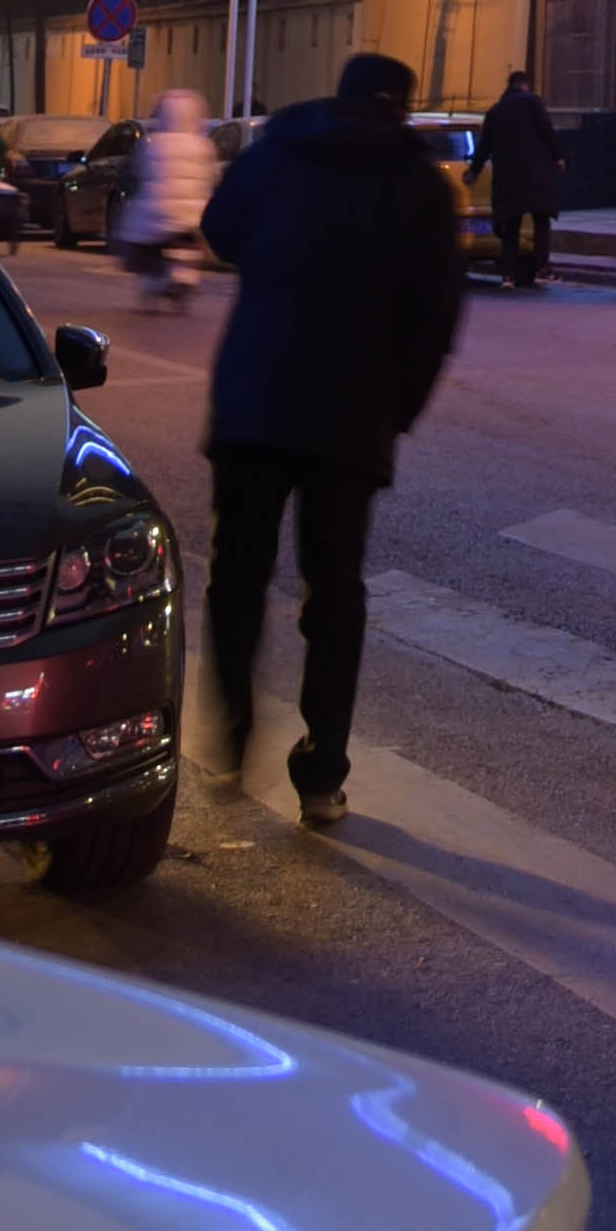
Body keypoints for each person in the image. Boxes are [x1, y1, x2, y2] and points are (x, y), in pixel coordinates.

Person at [196, 48, 468, 830]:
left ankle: (230, 735)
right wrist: (397, 410)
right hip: (350, 412)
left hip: (253, 396)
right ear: (402, 106)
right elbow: (437, 316)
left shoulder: (278, 150)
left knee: (237, 571)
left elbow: (220, 229)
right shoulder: (419, 183)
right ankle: (320, 776)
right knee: (335, 591)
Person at [116, 76, 219, 302]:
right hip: (194, 216)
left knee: (132, 236)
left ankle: (151, 277)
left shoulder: (152, 144)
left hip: (156, 214)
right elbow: (211, 177)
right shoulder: (203, 145)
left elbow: (139, 173)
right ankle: (184, 276)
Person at [478, 64, 564, 292]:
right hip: (536, 174)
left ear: (509, 86)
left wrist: (473, 171)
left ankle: (508, 275)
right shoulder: (533, 102)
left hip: (508, 176)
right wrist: (558, 157)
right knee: (541, 221)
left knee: (511, 226)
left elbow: (484, 145)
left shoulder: (495, 111)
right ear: (525, 85)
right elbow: (547, 130)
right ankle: (542, 268)